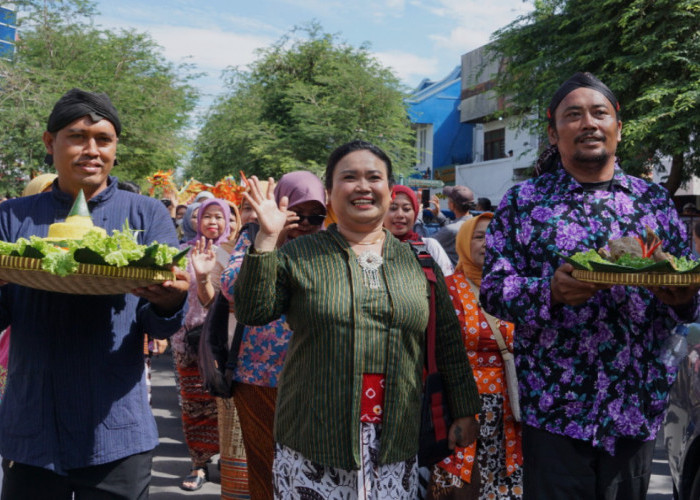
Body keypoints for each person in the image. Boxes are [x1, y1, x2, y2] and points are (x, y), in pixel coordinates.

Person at [480, 72, 700, 500]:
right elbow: (494, 288)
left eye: (600, 113)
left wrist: (684, 299)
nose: (588, 123)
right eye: (573, 115)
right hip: (555, 405)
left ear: (618, 127)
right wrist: (550, 292)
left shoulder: (652, 201)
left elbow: (684, 286)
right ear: (553, 132)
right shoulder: (523, 202)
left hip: (634, 403)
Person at [233, 140, 481, 498]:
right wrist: (268, 238)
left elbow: (447, 340)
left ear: (388, 188)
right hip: (314, 437)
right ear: (330, 192)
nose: (363, 186)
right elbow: (253, 310)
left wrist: (465, 410)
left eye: (373, 177)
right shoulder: (300, 254)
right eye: (349, 177)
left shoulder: (419, 261)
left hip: (396, 436)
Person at [0, 88, 188, 499]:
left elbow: (157, 321)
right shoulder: (12, 218)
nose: (91, 150)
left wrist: (170, 298)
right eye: (76, 136)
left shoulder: (145, 214)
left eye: (103, 140)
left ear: (115, 149)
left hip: (116, 429)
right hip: (32, 427)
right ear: (50, 143)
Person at [221, 170, 327, 499]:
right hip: (258, 378)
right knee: (266, 465)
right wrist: (272, 240)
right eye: (298, 213)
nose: (307, 223)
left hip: (314, 377)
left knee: (311, 471)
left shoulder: (329, 247)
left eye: (316, 215)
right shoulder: (255, 237)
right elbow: (231, 288)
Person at [429, 212, 523, 499]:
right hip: (462, 406)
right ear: (465, 241)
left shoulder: (518, 288)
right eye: (479, 236)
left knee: (505, 485)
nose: (488, 243)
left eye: (495, 236)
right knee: (462, 487)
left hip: (511, 410)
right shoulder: (447, 289)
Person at [172, 198, 234, 491]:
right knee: (194, 404)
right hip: (187, 340)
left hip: (224, 342)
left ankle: (228, 461)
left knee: (223, 404)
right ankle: (198, 465)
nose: (213, 222)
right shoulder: (184, 252)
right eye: (206, 217)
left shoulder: (233, 253)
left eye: (218, 217)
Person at [383, 185, 453, 276]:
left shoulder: (428, 247)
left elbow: (448, 284)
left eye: (406, 209)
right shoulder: (371, 248)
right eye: (392, 208)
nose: (400, 215)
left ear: (415, 213)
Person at [432, 185, 476, 266]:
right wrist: (439, 215)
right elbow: (455, 227)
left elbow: (425, 245)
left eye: (449, 200)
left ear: (452, 205)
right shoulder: (476, 224)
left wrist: (418, 218)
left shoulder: (450, 230)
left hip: (451, 275)